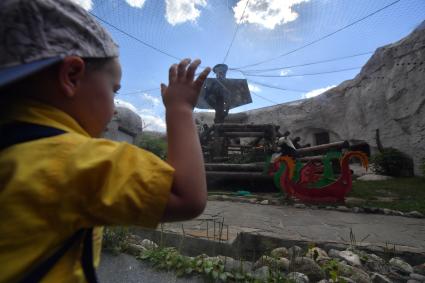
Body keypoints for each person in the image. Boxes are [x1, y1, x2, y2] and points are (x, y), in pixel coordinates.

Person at [0, 1, 210, 282]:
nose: (113, 108)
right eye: (114, 90)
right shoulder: (74, 162)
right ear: (72, 76)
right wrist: (180, 109)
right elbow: (186, 197)